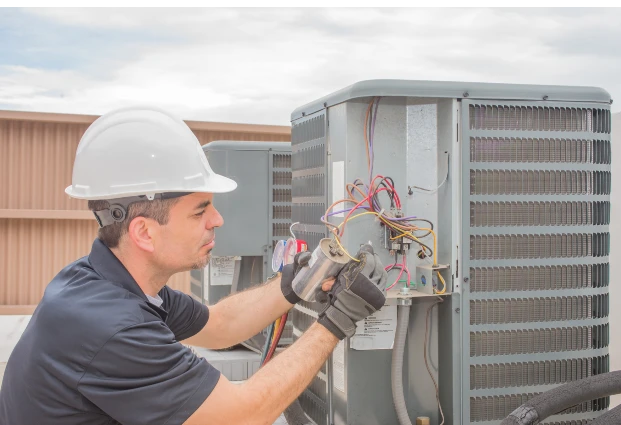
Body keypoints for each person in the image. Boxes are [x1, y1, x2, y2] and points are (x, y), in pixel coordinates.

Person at [0, 106, 387, 425]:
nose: (217, 220)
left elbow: (219, 325)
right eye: (200, 210)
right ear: (144, 233)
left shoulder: (103, 283)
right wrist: (337, 322)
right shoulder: (112, 327)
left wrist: (293, 283)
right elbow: (242, 416)